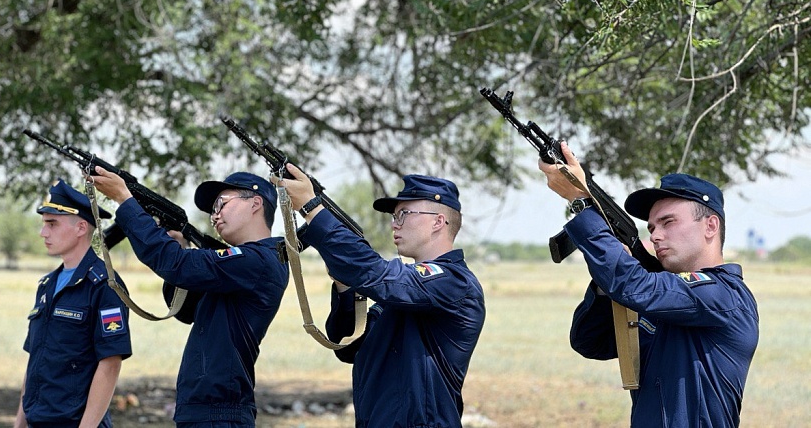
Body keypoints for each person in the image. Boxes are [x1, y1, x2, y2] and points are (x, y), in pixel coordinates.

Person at [538, 142, 759, 428]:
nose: (656, 236)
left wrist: (581, 202)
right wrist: (607, 284)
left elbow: (635, 286)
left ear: (710, 226)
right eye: (652, 228)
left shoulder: (725, 294)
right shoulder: (662, 296)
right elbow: (589, 341)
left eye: (668, 222)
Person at [276, 164, 486, 427]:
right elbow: (349, 345)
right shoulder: (406, 289)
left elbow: (377, 274)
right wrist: (344, 284)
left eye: (404, 214)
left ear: (438, 221)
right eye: (394, 216)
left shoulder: (453, 282)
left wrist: (312, 208)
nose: (394, 224)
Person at [90, 168, 289, 427]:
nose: (215, 215)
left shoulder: (258, 260)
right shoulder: (240, 265)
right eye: (212, 209)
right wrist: (181, 245)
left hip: (220, 413)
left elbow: (177, 265)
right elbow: (185, 310)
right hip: (204, 408)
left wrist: (126, 201)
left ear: (255, 203)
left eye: (221, 203)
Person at [15, 179, 132, 428]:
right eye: (44, 224)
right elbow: (35, 361)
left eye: (52, 224)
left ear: (80, 228)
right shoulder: (47, 285)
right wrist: (20, 423)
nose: (43, 232)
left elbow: (110, 364)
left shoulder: (104, 285)